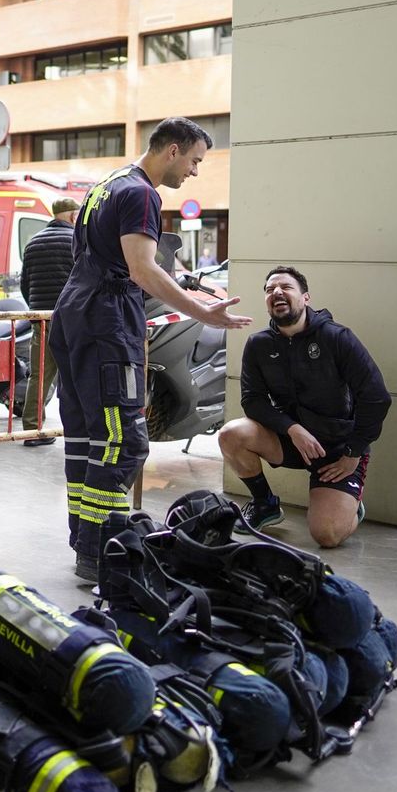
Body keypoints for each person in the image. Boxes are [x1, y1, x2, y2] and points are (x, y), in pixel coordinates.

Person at [49, 117, 252, 581]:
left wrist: (189, 292)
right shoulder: (143, 193)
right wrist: (206, 314)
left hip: (75, 315)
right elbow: (141, 270)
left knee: (86, 439)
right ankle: (104, 552)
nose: (195, 173)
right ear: (173, 150)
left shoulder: (107, 185)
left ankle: (86, 542)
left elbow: (121, 260)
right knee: (123, 441)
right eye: (196, 161)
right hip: (106, 322)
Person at [218, 266, 390, 548]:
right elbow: (253, 401)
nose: (277, 292)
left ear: (306, 298)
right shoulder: (258, 344)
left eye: (286, 287)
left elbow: (376, 397)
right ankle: (265, 505)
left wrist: (353, 452)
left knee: (327, 535)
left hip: (337, 450)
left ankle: (350, 504)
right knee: (231, 434)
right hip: (291, 440)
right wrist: (292, 428)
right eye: (270, 289)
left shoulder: (337, 337)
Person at [19, 197, 78, 442]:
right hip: (71, 319)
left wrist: (38, 308)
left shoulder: (33, 242)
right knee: (75, 375)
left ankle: (33, 429)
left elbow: (25, 284)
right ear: (73, 216)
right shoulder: (75, 240)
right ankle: (78, 430)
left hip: (41, 318)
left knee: (39, 375)